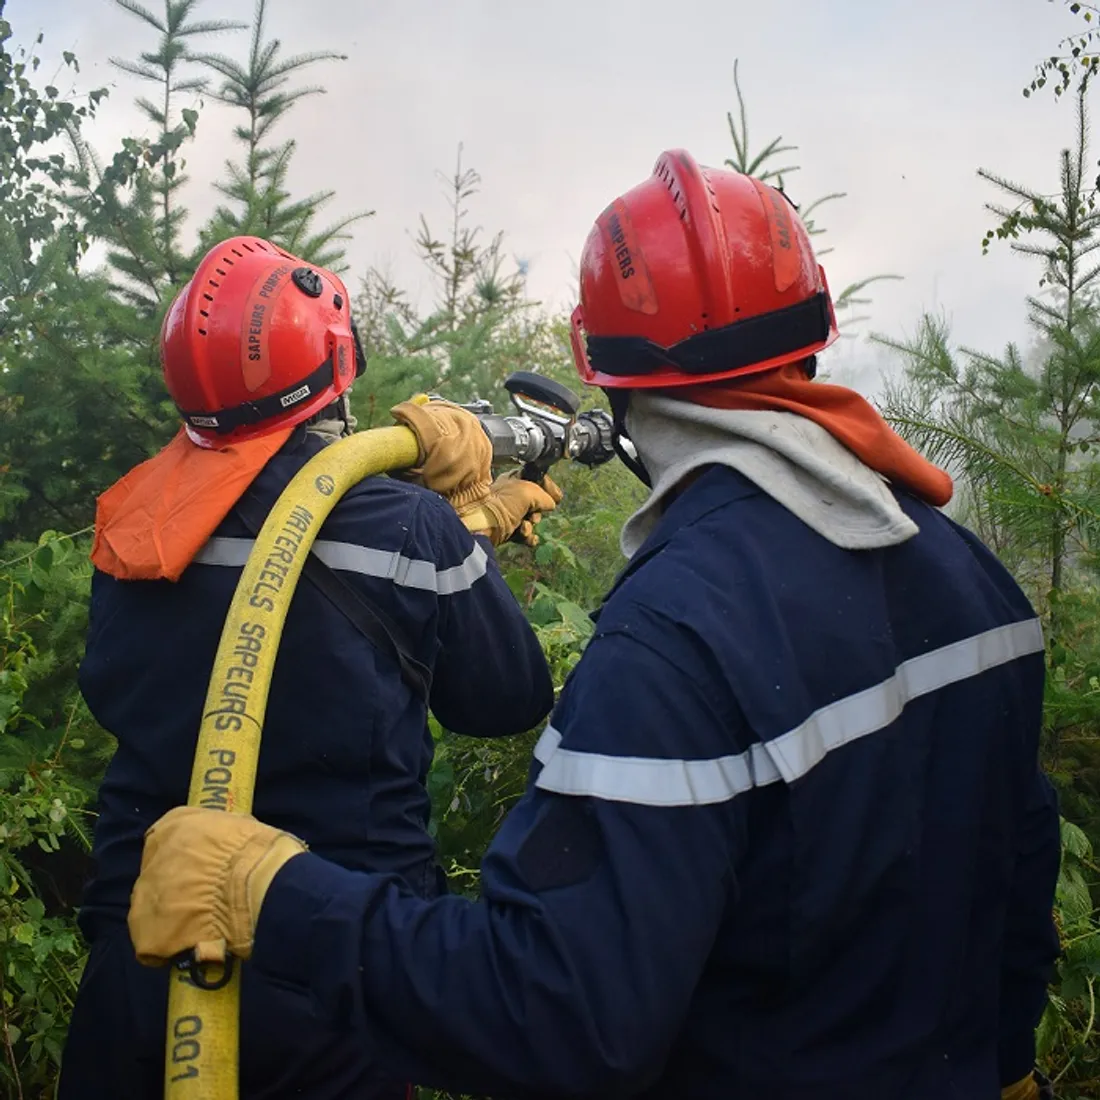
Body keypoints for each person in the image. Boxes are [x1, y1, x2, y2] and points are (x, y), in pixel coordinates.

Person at [128, 155, 1061, 1100]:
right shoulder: (972, 579)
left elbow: (553, 1016)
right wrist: (1011, 1053)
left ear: (602, 370)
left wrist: (272, 894)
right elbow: (1020, 863)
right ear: (813, 333)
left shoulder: (678, 641)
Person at [59, 235, 560, 1100]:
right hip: (327, 965)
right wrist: (454, 543)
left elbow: (136, 669)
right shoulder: (406, 527)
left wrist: (450, 537)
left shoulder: (140, 515)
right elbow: (507, 699)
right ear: (336, 366)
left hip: (141, 959)